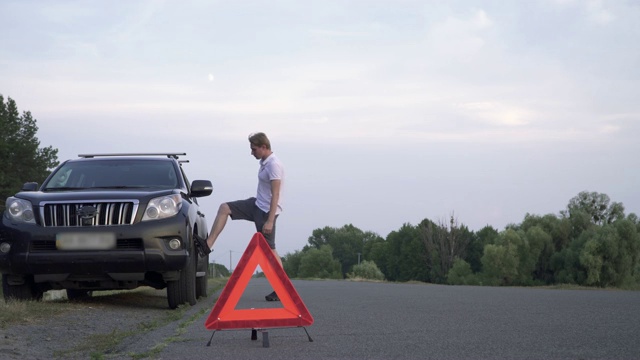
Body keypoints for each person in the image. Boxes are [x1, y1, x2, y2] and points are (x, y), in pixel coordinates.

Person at [194, 132, 284, 302]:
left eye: (254, 149)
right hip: (256, 205)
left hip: (266, 213)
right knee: (225, 208)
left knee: (270, 251)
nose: (252, 152)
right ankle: (207, 245)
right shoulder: (264, 162)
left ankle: (282, 288)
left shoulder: (274, 165)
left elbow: (276, 194)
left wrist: (270, 220)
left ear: (264, 147)